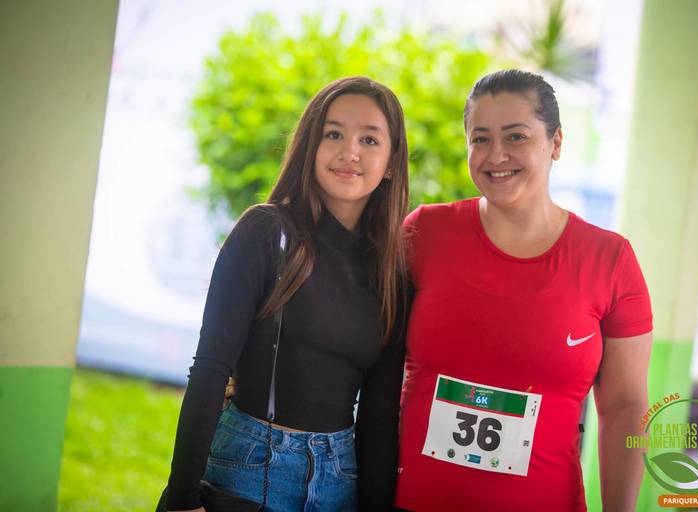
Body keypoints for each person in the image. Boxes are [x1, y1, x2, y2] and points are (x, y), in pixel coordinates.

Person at [394, 69, 653, 511]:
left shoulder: (609, 260)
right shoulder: (424, 233)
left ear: (556, 143)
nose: (496, 155)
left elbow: (625, 407)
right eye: (480, 139)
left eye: (516, 137)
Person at [162, 76, 408, 512]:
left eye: (369, 139)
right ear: (310, 146)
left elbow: (379, 415)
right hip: (248, 466)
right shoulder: (265, 232)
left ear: (390, 163)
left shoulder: (391, 271)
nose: (350, 151)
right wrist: (182, 498)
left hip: (340, 481)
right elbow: (210, 369)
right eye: (333, 134)